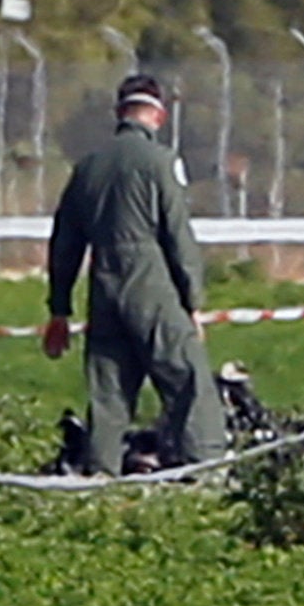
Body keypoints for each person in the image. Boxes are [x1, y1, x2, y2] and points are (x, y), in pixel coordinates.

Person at [42, 74, 225, 475]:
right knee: (187, 380)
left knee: (108, 394)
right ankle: (208, 473)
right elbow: (177, 234)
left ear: (119, 112)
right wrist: (192, 300)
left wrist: (59, 309)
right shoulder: (161, 162)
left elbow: (64, 244)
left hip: (103, 285)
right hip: (151, 281)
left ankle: (99, 479)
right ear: (158, 115)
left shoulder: (87, 168)